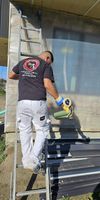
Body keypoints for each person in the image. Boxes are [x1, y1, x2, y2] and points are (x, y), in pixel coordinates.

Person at [9, 50, 72, 174]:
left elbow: (11, 75)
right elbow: (47, 84)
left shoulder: (23, 62)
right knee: (42, 129)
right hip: (37, 102)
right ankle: (33, 158)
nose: (50, 64)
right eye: (51, 62)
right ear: (48, 58)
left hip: (22, 103)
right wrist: (60, 100)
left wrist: (24, 76)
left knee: (25, 130)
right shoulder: (45, 65)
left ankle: (27, 160)